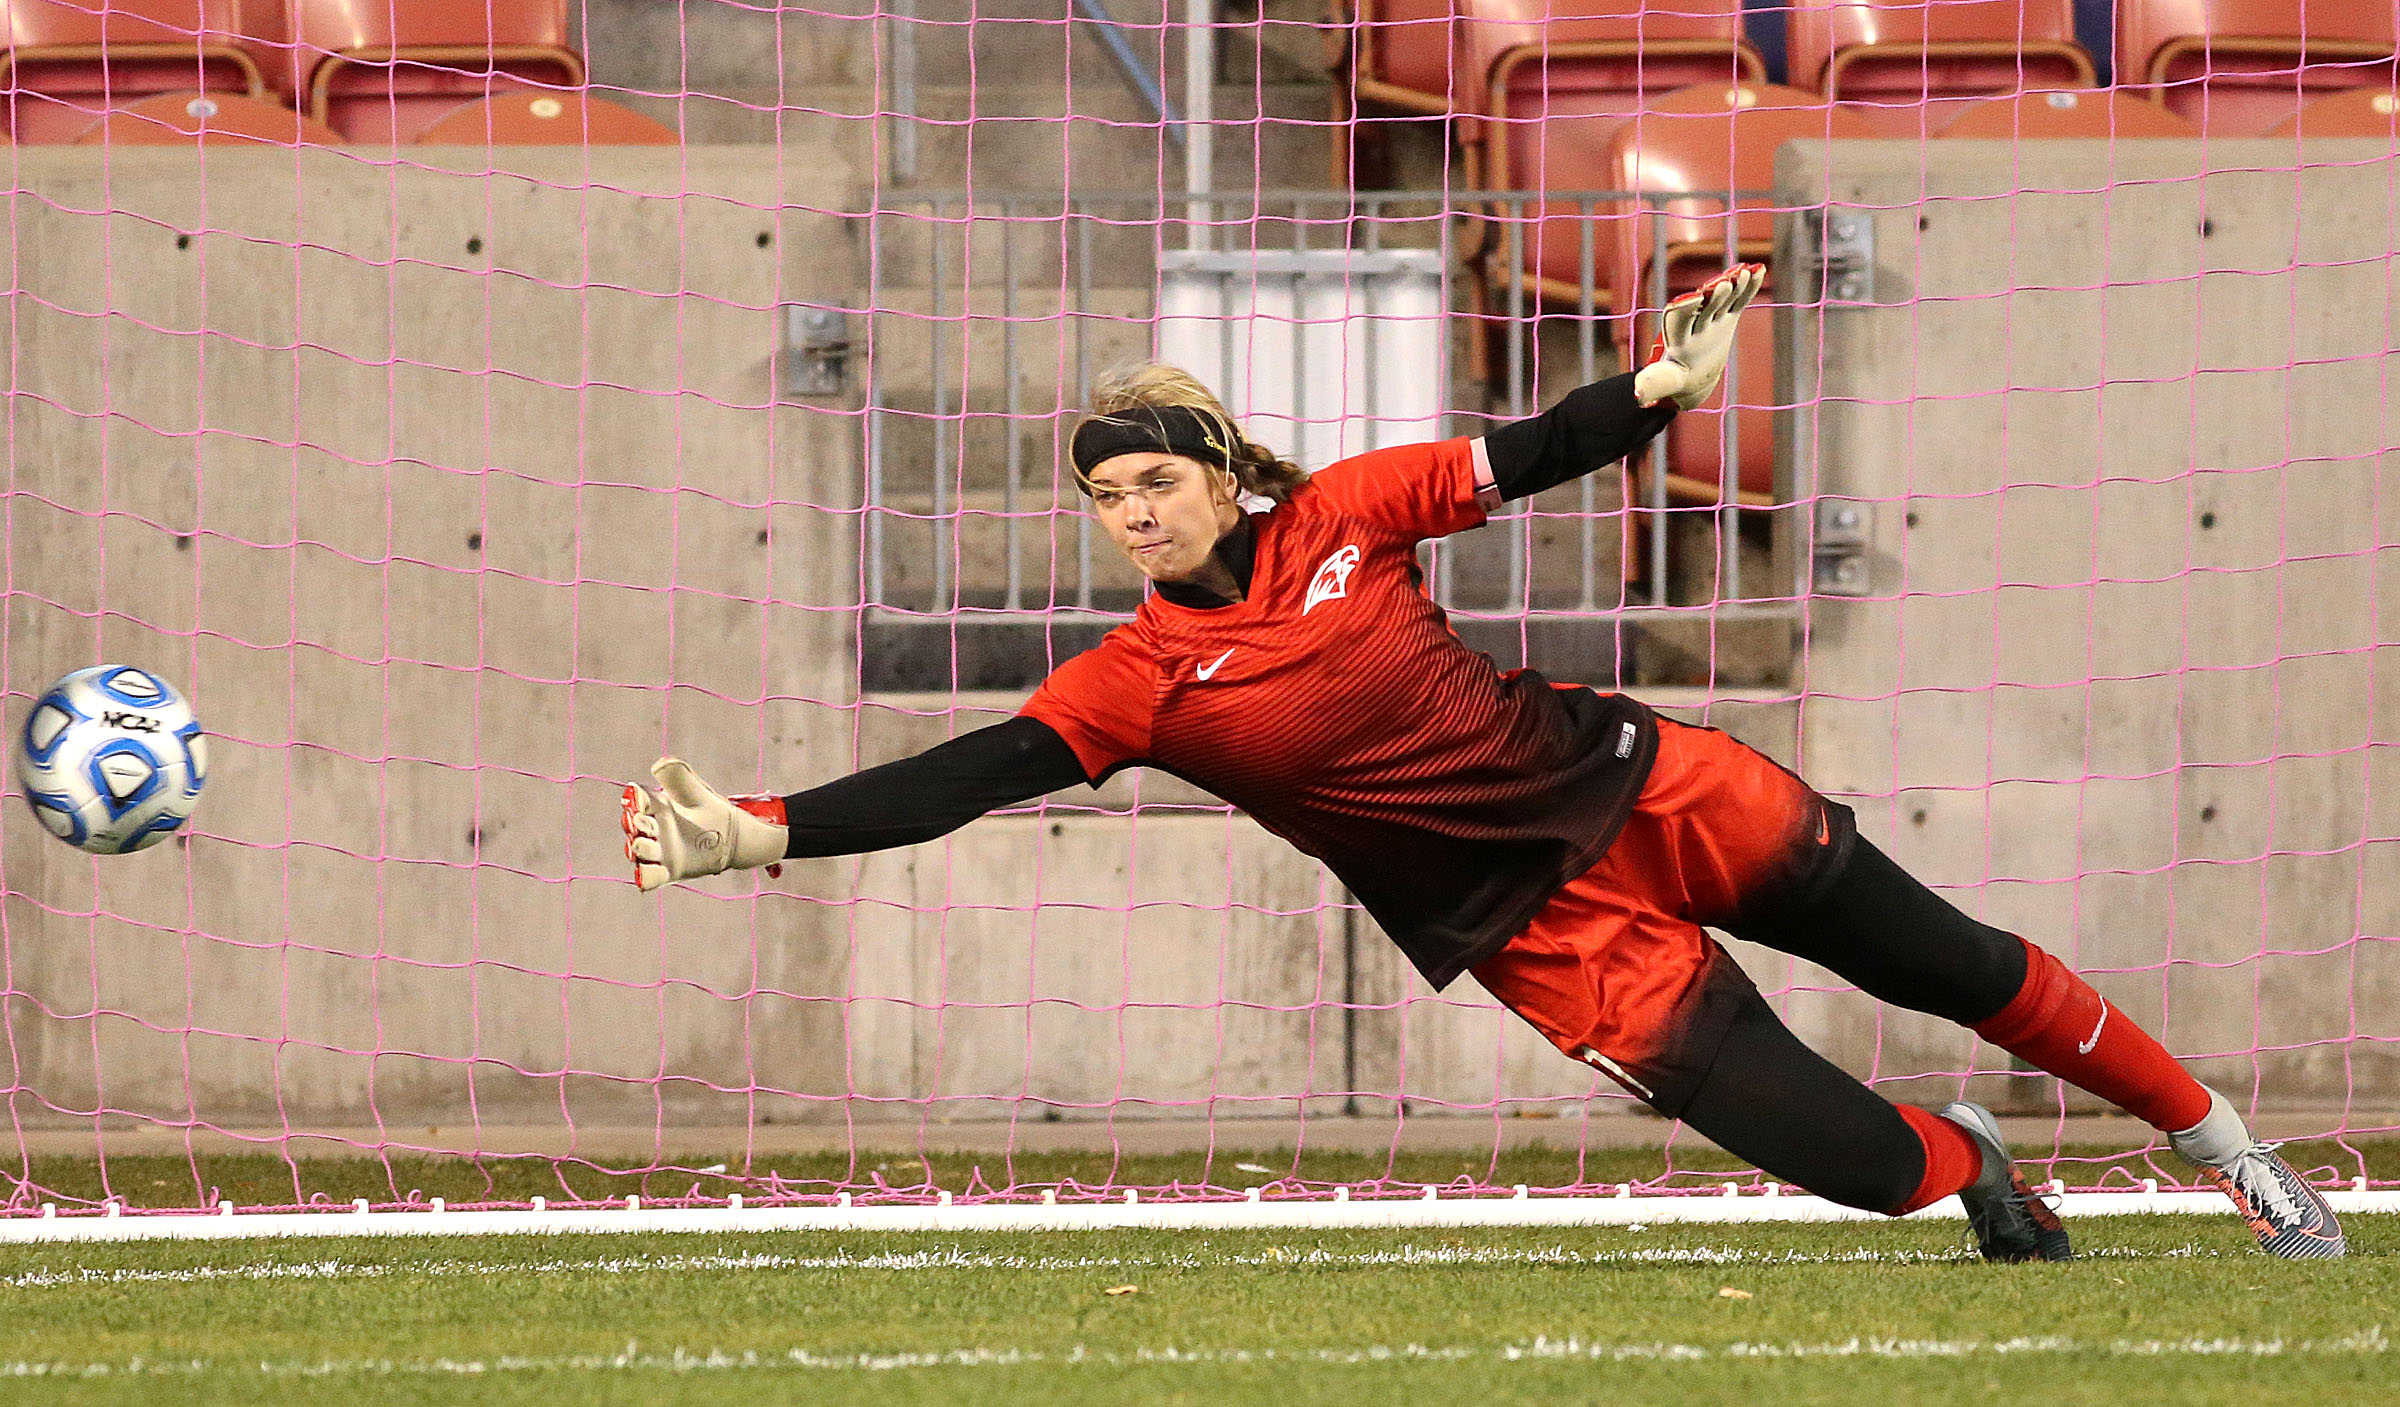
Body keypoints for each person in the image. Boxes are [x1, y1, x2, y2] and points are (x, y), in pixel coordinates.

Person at [622, 264, 2343, 1262]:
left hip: (1651, 788)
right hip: (1543, 938)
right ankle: (1970, 1159)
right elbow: (968, 775)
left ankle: (2225, 1147)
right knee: (1866, 1171)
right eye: (1099, 498)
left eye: (1149, 482)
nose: (1126, 516)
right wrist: (758, 834)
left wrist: (1662, 384)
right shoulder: (1141, 680)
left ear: (1223, 475)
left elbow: (1533, 453)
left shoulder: (1352, 511)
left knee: (1955, 961)